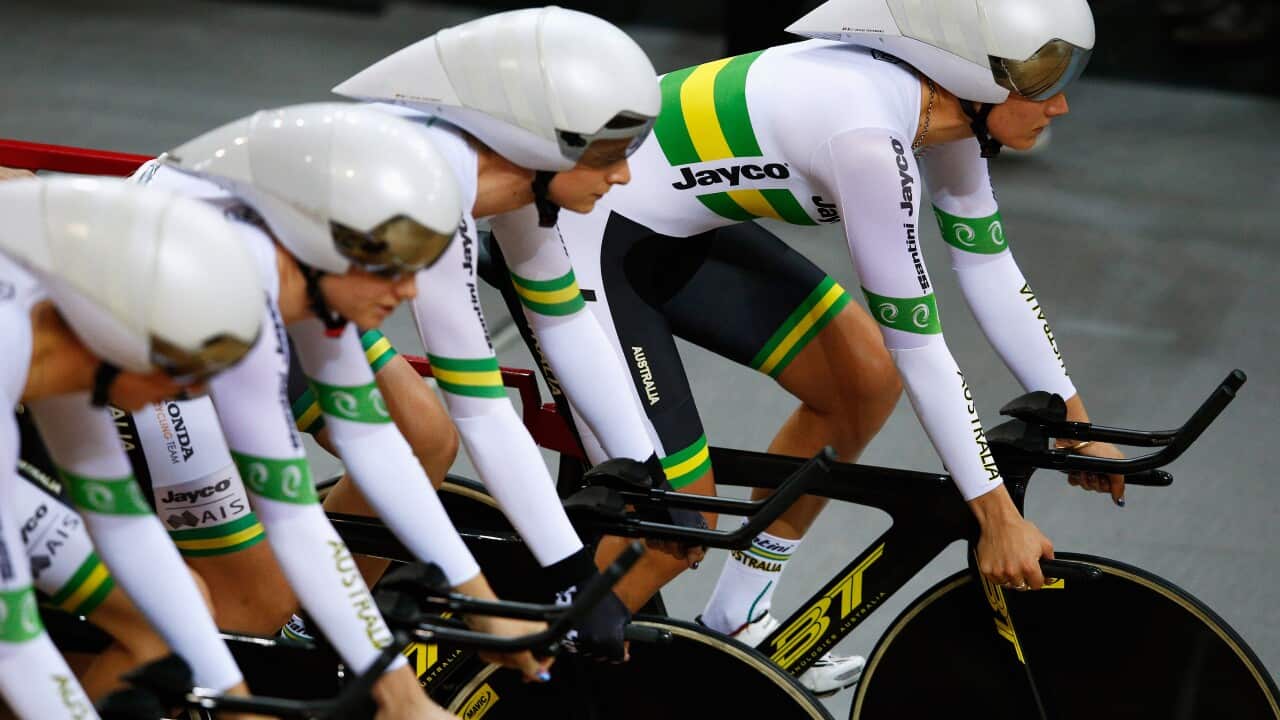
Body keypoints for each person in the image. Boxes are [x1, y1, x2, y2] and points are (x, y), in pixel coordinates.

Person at [484, 0, 1127, 696]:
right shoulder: (866, 139)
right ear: (970, 77)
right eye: (1038, 85)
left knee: (860, 380)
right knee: (682, 521)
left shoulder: (947, 115)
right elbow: (921, 344)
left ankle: (739, 612)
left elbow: (987, 266)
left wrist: (1076, 423)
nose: (1059, 105)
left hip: (668, 227)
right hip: (580, 232)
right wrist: (995, 516)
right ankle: (520, 688)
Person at [312, 6, 671, 661]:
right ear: (542, 143)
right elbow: (479, 406)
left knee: (421, 434)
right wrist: (569, 576)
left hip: (310, 303)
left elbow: (563, 320)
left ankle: (314, 627)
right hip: (218, 307)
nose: (622, 176)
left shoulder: (509, 170)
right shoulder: (436, 181)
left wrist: (650, 473)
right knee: (428, 433)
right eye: (612, 155)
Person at [0, 176, 262, 717]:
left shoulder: (63, 330)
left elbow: (124, 524)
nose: (188, 394)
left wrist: (236, 703)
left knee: (157, 618)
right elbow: (16, 640)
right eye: (180, 372)